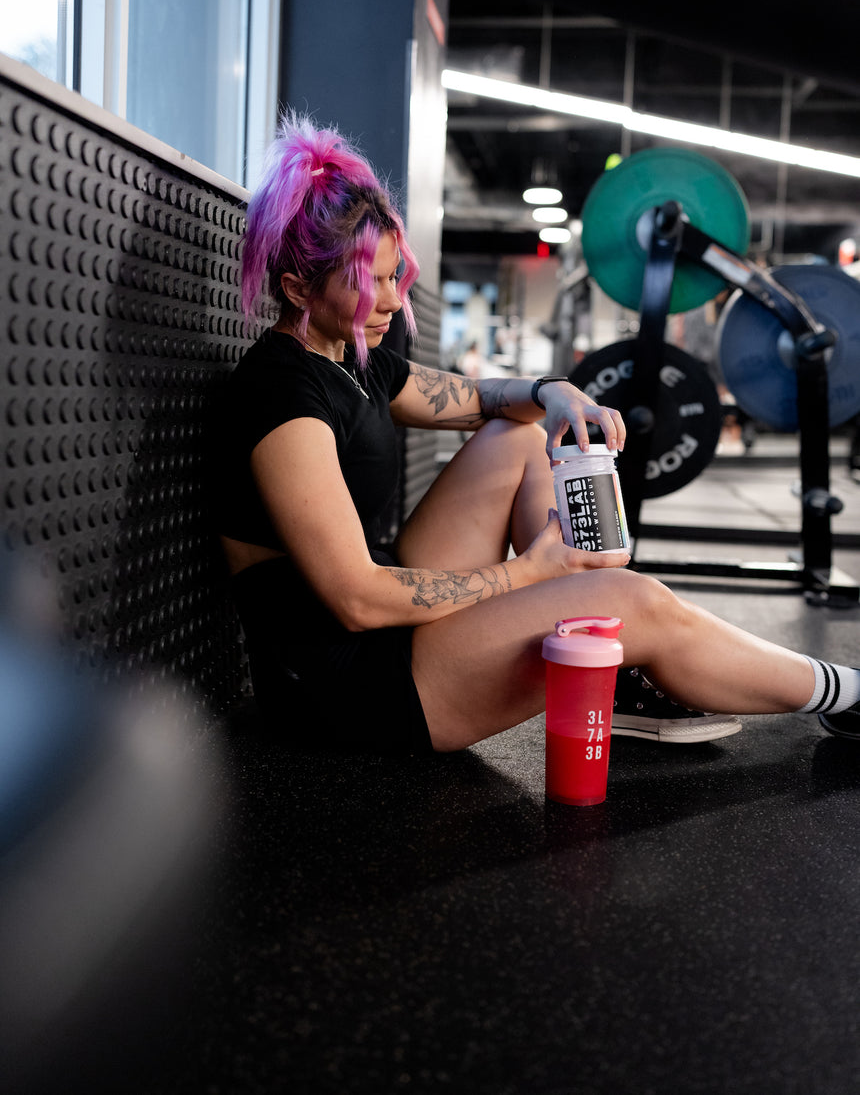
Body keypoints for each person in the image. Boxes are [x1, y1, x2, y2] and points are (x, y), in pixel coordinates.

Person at [207, 112, 860, 756]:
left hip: (385, 636)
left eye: (389, 276)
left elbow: (481, 399)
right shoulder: (281, 397)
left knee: (517, 436)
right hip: (347, 689)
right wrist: (526, 575)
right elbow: (356, 600)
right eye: (366, 283)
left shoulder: (352, 361)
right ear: (296, 287)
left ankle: (615, 662)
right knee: (632, 601)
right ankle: (848, 692)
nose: (387, 300)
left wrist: (554, 392)